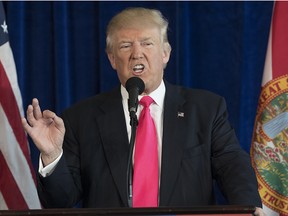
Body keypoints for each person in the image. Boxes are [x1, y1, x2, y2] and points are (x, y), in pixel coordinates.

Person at [22, 7, 265, 215]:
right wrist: (53, 156)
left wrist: (249, 208)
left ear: (165, 53)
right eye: (125, 45)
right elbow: (61, 201)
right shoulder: (81, 118)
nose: (137, 53)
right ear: (112, 59)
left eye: (147, 43)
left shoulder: (205, 110)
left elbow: (233, 166)